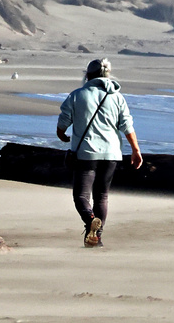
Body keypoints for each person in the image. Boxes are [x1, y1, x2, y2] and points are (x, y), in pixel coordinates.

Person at [57, 57, 144, 247]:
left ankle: (90, 221)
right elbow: (127, 125)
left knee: (81, 196)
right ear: (108, 75)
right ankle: (97, 237)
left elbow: (64, 120)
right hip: (111, 154)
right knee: (102, 196)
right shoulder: (117, 97)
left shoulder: (78, 95)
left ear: (88, 75)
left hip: (86, 154)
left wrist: (61, 134)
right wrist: (136, 150)